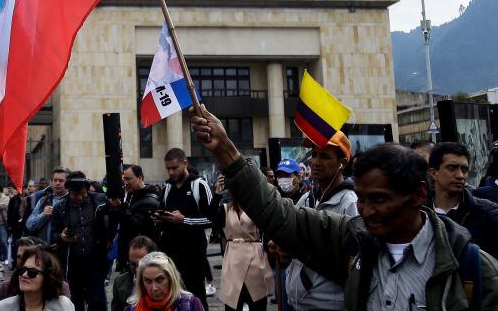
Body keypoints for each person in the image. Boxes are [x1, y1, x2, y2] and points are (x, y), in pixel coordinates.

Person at [192, 105, 498, 310]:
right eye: (363, 199)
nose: (366, 210)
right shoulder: (352, 241)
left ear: (419, 194)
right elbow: (279, 213)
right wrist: (226, 150)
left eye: (379, 199)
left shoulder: (470, 266)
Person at [277, 131, 356, 311]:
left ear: (342, 163)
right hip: (297, 302)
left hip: (329, 304)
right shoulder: (306, 199)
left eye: (325, 156)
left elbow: (351, 259)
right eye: (314, 155)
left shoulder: (349, 202)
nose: (316, 162)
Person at [154, 149, 212, 311]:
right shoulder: (167, 188)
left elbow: (212, 219)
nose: (171, 172)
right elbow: (163, 212)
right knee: (171, 298)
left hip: (193, 255)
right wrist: (159, 219)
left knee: (196, 298)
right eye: (168, 169)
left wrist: (183, 220)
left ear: (185, 163)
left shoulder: (199, 185)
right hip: (170, 254)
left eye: (174, 168)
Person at [50, 172, 111, 311]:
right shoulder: (60, 208)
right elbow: (54, 234)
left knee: (97, 302)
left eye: (83, 193)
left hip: (95, 260)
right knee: (75, 301)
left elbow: (112, 220)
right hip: (72, 263)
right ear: (69, 191)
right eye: (75, 194)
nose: (79, 198)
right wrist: (62, 237)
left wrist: (108, 239)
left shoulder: (100, 201)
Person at [211, 176, 272, 311]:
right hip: (233, 260)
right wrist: (217, 194)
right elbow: (210, 217)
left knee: (257, 301)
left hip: (255, 259)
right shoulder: (225, 209)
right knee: (233, 303)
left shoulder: (258, 208)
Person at [429, 141, 498, 257]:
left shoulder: (488, 214)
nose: (460, 175)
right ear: (433, 173)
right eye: (452, 168)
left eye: (464, 169)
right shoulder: (419, 213)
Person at [109, 165, 160, 274]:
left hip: (142, 257)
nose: (125, 183)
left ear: (140, 178)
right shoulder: (130, 195)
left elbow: (134, 225)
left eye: (128, 179)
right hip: (128, 254)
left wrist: (121, 207)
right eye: (123, 179)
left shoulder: (149, 200)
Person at [0, 246, 72, 311]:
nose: (24, 275)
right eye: (22, 270)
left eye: (32, 272)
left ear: (48, 277)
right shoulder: (2, 308)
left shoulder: (63, 306)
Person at [130, 252, 205, 311]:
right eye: (148, 281)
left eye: (159, 280)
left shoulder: (191, 304)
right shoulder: (132, 308)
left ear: (170, 278)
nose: (154, 288)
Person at [111, 237, 158, 311]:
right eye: (133, 264)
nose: (137, 269)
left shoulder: (168, 280)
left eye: (141, 264)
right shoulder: (120, 282)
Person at [26, 168, 69, 243]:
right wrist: (43, 215)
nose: (57, 183)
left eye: (61, 181)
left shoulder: (72, 200)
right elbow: (29, 225)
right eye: (55, 180)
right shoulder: (44, 200)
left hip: (65, 249)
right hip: (46, 248)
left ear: (67, 183)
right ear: (51, 183)